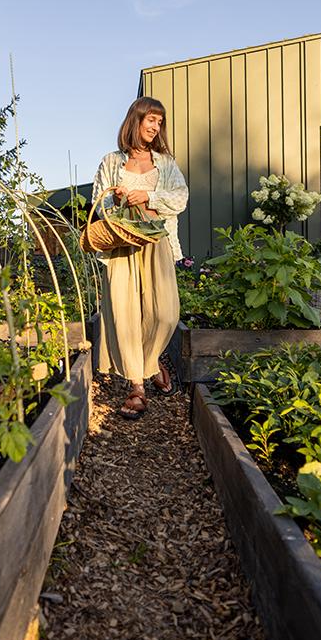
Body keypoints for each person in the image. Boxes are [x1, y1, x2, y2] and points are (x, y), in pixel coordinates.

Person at [91, 96, 189, 419]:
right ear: (136, 120)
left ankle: (152, 360)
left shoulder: (165, 163)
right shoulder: (110, 162)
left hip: (155, 242)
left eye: (160, 122)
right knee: (126, 315)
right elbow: (99, 203)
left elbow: (180, 198)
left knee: (165, 313)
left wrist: (148, 195)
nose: (155, 126)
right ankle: (137, 387)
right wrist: (118, 200)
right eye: (151, 119)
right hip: (122, 245)